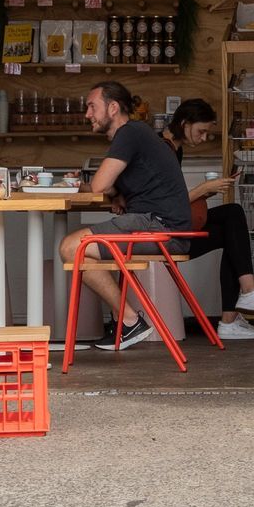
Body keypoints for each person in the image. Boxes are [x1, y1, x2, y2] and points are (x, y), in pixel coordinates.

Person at [59, 79, 196, 351]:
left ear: (112, 108)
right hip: (159, 224)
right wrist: (111, 193)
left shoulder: (130, 132)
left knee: (71, 247)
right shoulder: (136, 134)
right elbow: (108, 187)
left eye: (91, 107)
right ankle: (125, 321)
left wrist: (82, 186)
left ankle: (130, 321)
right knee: (75, 248)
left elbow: (98, 186)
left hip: (160, 227)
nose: (87, 114)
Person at [163, 98, 254, 340]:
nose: (204, 138)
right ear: (184, 123)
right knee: (233, 226)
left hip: (179, 225)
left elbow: (173, 198)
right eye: (201, 131)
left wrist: (206, 192)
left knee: (233, 216)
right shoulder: (162, 149)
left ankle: (240, 304)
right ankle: (237, 309)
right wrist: (203, 188)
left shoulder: (175, 148)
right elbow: (164, 205)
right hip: (166, 234)